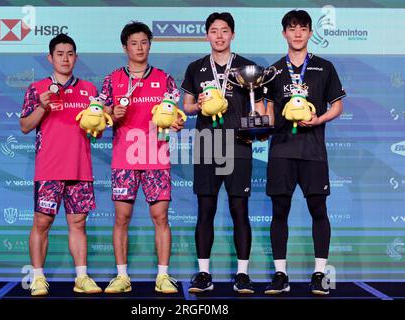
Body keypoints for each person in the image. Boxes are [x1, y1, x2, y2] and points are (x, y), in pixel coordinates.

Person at [263, 9, 346, 295]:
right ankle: (280, 275)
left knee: (318, 210)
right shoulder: (272, 71)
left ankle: (319, 274)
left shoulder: (324, 67)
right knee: (279, 212)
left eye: (303, 28)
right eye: (292, 28)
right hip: (281, 151)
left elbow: (337, 105)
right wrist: (259, 122)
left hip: (313, 151)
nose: (297, 33)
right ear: (284, 33)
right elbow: (268, 112)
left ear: (311, 33)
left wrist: (319, 119)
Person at [181, 12, 265, 294]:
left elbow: (260, 106)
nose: (219, 36)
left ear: (232, 34)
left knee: (239, 210)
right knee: (206, 210)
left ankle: (242, 274)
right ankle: (203, 274)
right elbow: (187, 106)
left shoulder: (248, 67)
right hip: (206, 143)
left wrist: (257, 117)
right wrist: (198, 104)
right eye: (214, 31)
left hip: (238, 143)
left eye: (224, 30)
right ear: (206, 35)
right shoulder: (196, 67)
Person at [101, 21, 185, 294]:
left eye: (144, 42)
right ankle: (122, 276)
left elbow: (176, 116)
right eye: (134, 43)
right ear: (125, 47)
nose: (139, 47)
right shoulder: (112, 79)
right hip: (124, 158)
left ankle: (163, 276)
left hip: (156, 156)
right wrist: (111, 116)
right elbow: (97, 120)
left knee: (160, 217)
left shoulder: (165, 79)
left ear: (150, 45)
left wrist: (176, 123)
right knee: (121, 218)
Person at [19, 34, 102, 296]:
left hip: (80, 168)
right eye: (60, 54)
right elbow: (24, 126)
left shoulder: (89, 89)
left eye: (70, 54)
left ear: (75, 57)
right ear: (50, 58)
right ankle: (38, 278)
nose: (65, 58)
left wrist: (96, 127)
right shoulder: (37, 88)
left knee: (78, 224)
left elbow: (96, 130)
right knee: (41, 222)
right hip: (49, 168)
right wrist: (43, 106)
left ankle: (81, 277)